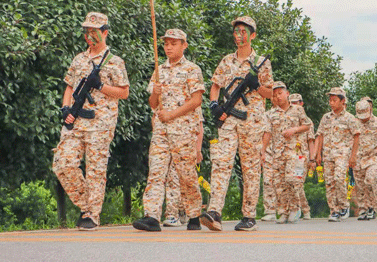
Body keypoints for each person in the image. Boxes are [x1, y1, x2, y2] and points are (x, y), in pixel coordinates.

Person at [53, 12, 130, 231]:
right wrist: (66, 108)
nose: (89, 36)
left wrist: (101, 86)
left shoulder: (115, 62)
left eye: (94, 31)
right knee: (63, 163)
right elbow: (69, 86)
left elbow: (124, 92)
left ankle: (91, 214)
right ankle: (87, 205)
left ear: (104, 32)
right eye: (86, 31)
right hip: (76, 120)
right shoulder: (79, 59)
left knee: (96, 169)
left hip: (101, 122)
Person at [201, 16, 273, 232]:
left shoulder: (262, 63)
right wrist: (214, 105)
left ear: (252, 35)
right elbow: (216, 86)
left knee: (250, 167)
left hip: (252, 121)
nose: (239, 35)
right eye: (236, 31)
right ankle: (214, 212)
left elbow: (270, 92)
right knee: (221, 162)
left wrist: (256, 84)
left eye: (244, 31)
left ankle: (249, 215)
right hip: (229, 119)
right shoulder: (226, 61)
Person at [133, 29, 205, 232]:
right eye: (166, 43)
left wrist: (172, 115)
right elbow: (152, 103)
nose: (169, 47)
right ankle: (152, 216)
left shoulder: (192, 69)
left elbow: (197, 100)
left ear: (184, 45)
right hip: (161, 131)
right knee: (156, 172)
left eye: (174, 43)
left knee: (186, 174)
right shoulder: (159, 70)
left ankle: (193, 215)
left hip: (183, 131)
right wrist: (155, 93)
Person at [266, 82, 313, 224]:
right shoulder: (271, 114)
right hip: (278, 153)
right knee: (279, 184)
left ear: (287, 93)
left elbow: (307, 125)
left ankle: (294, 208)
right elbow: (267, 132)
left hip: (295, 152)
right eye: (274, 95)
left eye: (280, 93)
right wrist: (262, 151)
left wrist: (294, 130)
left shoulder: (298, 110)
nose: (278, 97)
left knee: (292, 181)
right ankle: (282, 212)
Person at [315, 87, 361, 222]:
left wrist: (353, 156)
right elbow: (320, 135)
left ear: (342, 101)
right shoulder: (326, 117)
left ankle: (343, 205)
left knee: (339, 178)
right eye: (330, 100)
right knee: (329, 182)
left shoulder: (350, 118)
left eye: (334, 100)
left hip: (342, 154)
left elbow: (356, 137)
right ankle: (334, 210)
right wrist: (318, 154)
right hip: (328, 155)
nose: (331, 103)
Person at [289, 93, 314, 220]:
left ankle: (298, 209)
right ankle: (305, 209)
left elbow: (311, 141)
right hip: (289, 156)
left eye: (296, 103)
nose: (294, 106)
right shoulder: (287, 120)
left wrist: (312, 159)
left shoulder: (307, 122)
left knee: (297, 183)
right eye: (292, 103)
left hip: (302, 157)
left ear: (301, 104)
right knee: (292, 183)